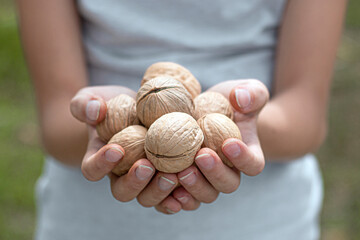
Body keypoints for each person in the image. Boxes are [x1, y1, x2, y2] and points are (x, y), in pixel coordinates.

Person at [15, 0, 347, 239]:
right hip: (89, 224)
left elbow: (306, 119)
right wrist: (103, 122)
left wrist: (241, 124)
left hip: (267, 224)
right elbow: (58, 123)